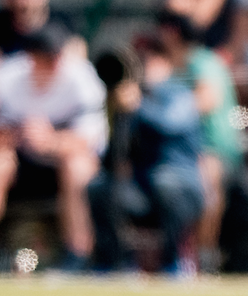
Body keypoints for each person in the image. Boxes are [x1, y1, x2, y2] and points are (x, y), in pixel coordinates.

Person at [0, 24, 106, 271]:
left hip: (63, 159)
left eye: (56, 56)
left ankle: (77, 254)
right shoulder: (7, 77)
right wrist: (19, 134)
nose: (53, 63)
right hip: (20, 159)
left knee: (77, 166)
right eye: (45, 57)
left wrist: (51, 140)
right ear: (30, 57)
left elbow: (92, 140)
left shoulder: (82, 78)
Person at [88, 37, 205, 274]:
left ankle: (173, 262)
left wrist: (138, 106)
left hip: (183, 186)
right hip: (145, 189)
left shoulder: (178, 93)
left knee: (165, 182)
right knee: (99, 187)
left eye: (150, 60)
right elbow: (112, 162)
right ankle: (114, 263)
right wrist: (120, 115)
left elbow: (169, 123)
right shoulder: (130, 100)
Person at [155, 10, 242, 274]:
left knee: (207, 189)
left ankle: (203, 259)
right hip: (183, 154)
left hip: (213, 151)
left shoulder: (201, 62)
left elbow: (208, 99)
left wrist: (162, 110)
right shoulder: (177, 66)